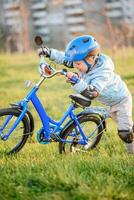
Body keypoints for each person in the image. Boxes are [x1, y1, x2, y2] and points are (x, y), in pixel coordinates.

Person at [38, 35, 134, 153]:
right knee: (121, 122)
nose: (75, 66)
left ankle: (131, 153)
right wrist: (49, 53)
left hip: (121, 101)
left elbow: (92, 92)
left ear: (90, 59)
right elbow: (65, 59)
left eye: (77, 64)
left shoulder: (102, 73)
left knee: (125, 132)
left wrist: (76, 80)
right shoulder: (83, 63)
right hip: (108, 102)